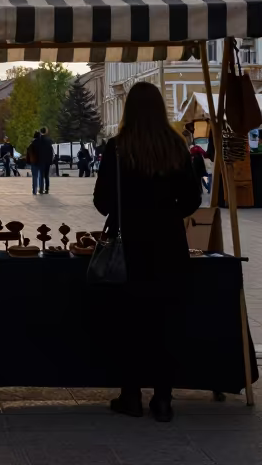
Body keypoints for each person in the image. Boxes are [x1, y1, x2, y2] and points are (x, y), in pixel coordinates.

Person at [93, 82, 202, 423]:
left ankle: (130, 396)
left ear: (129, 110)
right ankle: (164, 399)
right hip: (169, 244)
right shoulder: (175, 145)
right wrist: (167, 210)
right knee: (165, 322)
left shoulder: (118, 147)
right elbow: (192, 200)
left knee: (130, 323)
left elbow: (102, 201)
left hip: (130, 244)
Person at [38, 127, 54, 193]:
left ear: (40, 132)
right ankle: (47, 189)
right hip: (47, 160)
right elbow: (51, 151)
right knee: (46, 175)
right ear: (46, 132)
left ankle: (41, 189)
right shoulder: (49, 140)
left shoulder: (39, 139)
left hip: (41, 160)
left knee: (41, 175)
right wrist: (51, 160)